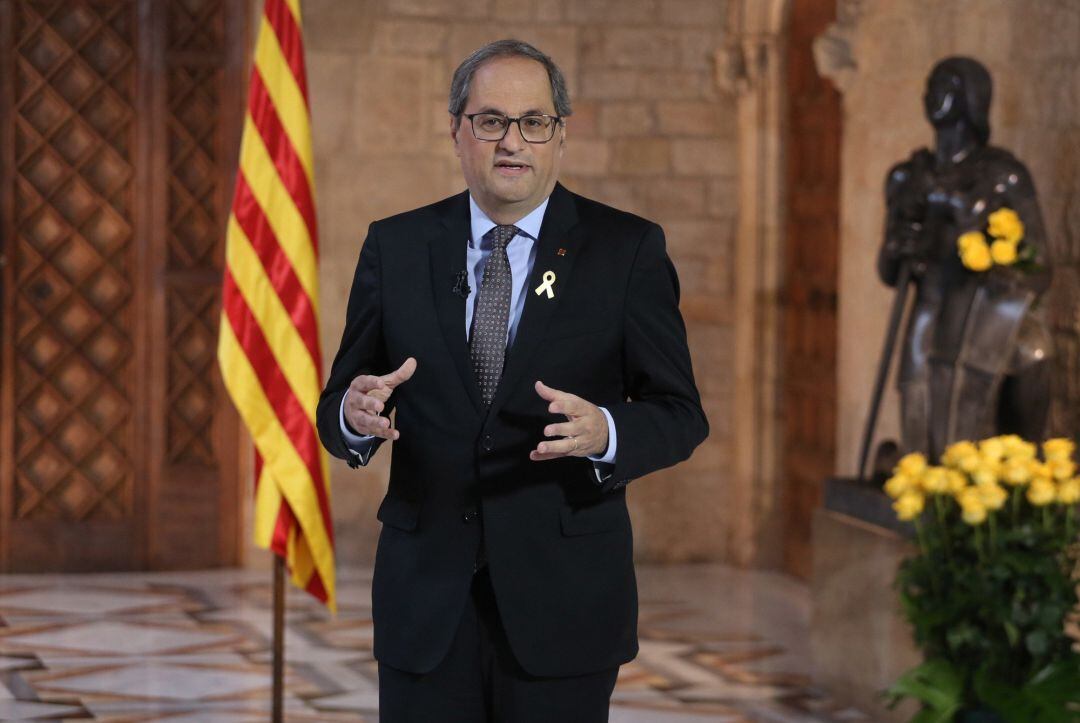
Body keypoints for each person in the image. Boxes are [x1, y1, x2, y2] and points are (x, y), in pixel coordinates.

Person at [317, 39, 708, 722]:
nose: (512, 142)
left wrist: (606, 430)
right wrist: (353, 413)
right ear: (457, 131)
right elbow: (338, 404)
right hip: (426, 603)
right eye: (491, 120)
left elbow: (680, 412)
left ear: (560, 135)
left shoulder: (626, 251)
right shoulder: (397, 246)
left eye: (534, 122)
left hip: (566, 605)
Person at [878, 56, 1052, 462]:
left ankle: (1021, 475)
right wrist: (900, 247)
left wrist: (988, 253)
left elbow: (1041, 265)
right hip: (930, 312)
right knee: (926, 451)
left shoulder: (1001, 176)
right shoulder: (908, 176)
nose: (932, 95)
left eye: (945, 86)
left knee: (1033, 354)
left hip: (982, 315)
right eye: (930, 85)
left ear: (972, 98)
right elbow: (888, 271)